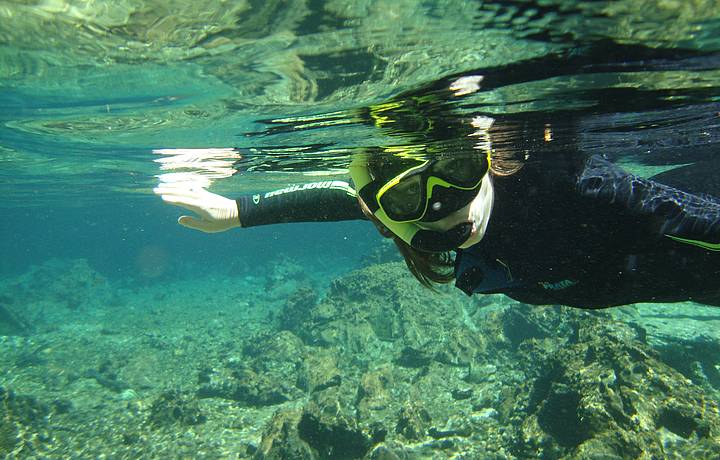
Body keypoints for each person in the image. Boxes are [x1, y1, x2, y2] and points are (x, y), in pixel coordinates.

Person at [154, 49, 720, 309]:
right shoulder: (404, 216)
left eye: (456, 170)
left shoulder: (567, 179)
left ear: (482, 156)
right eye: (406, 197)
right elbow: (340, 198)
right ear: (384, 213)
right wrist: (236, 212)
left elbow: (682, 211)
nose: (449, 206)